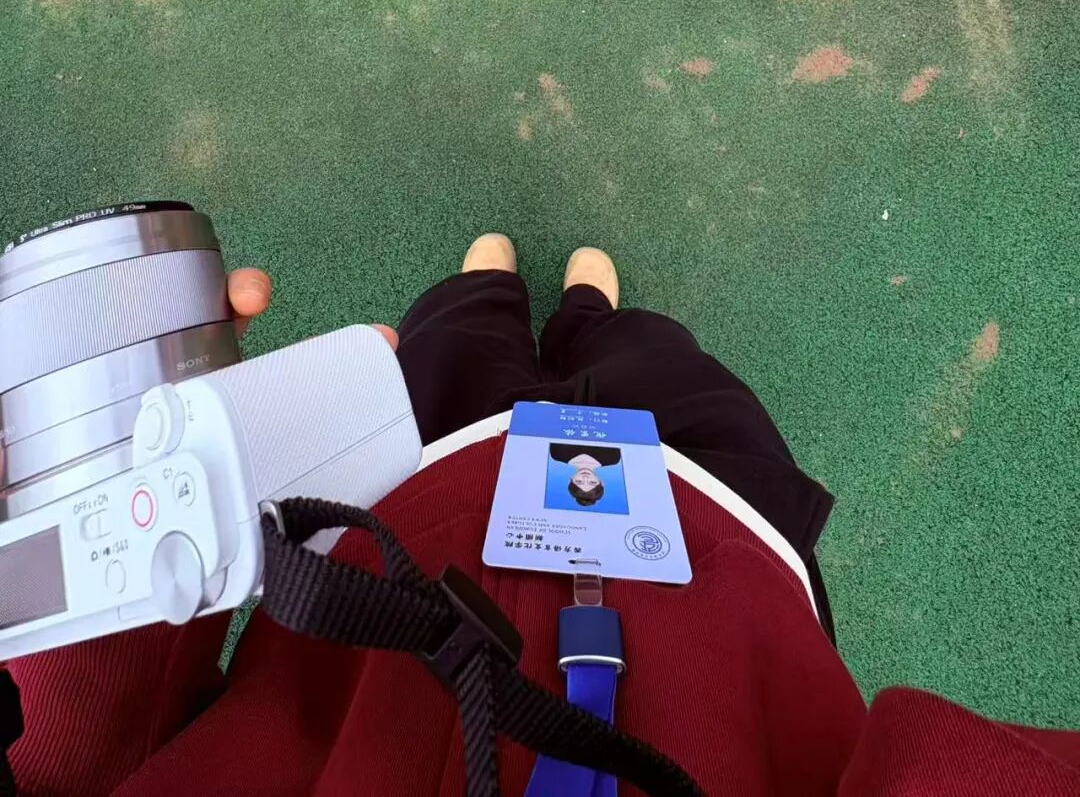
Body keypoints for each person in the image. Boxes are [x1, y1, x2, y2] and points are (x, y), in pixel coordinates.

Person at [7, 238, 1079, 796]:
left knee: (446, 343)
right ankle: (589, 317)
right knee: (665, 365)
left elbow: (64, 750)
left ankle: (485, 292)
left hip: (393, 518)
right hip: (715, 539)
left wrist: (103, 489)